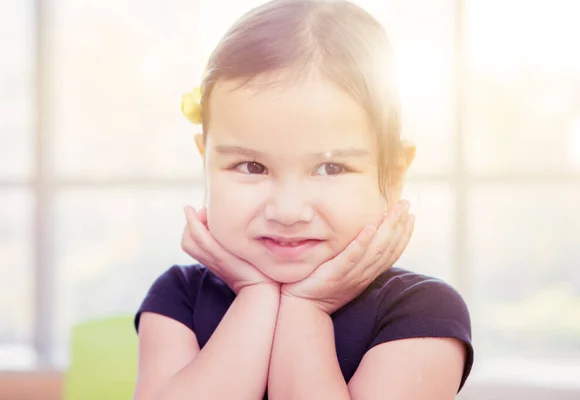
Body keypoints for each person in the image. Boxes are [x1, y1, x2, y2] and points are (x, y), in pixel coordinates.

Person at [133, 1, 473, 399]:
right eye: (251, 166)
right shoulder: (179, 297)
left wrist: (306, 308)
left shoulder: (421, 313)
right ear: (205, 160)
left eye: (330, 169)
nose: (288, 211)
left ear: (394, 175)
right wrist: (255, 295)